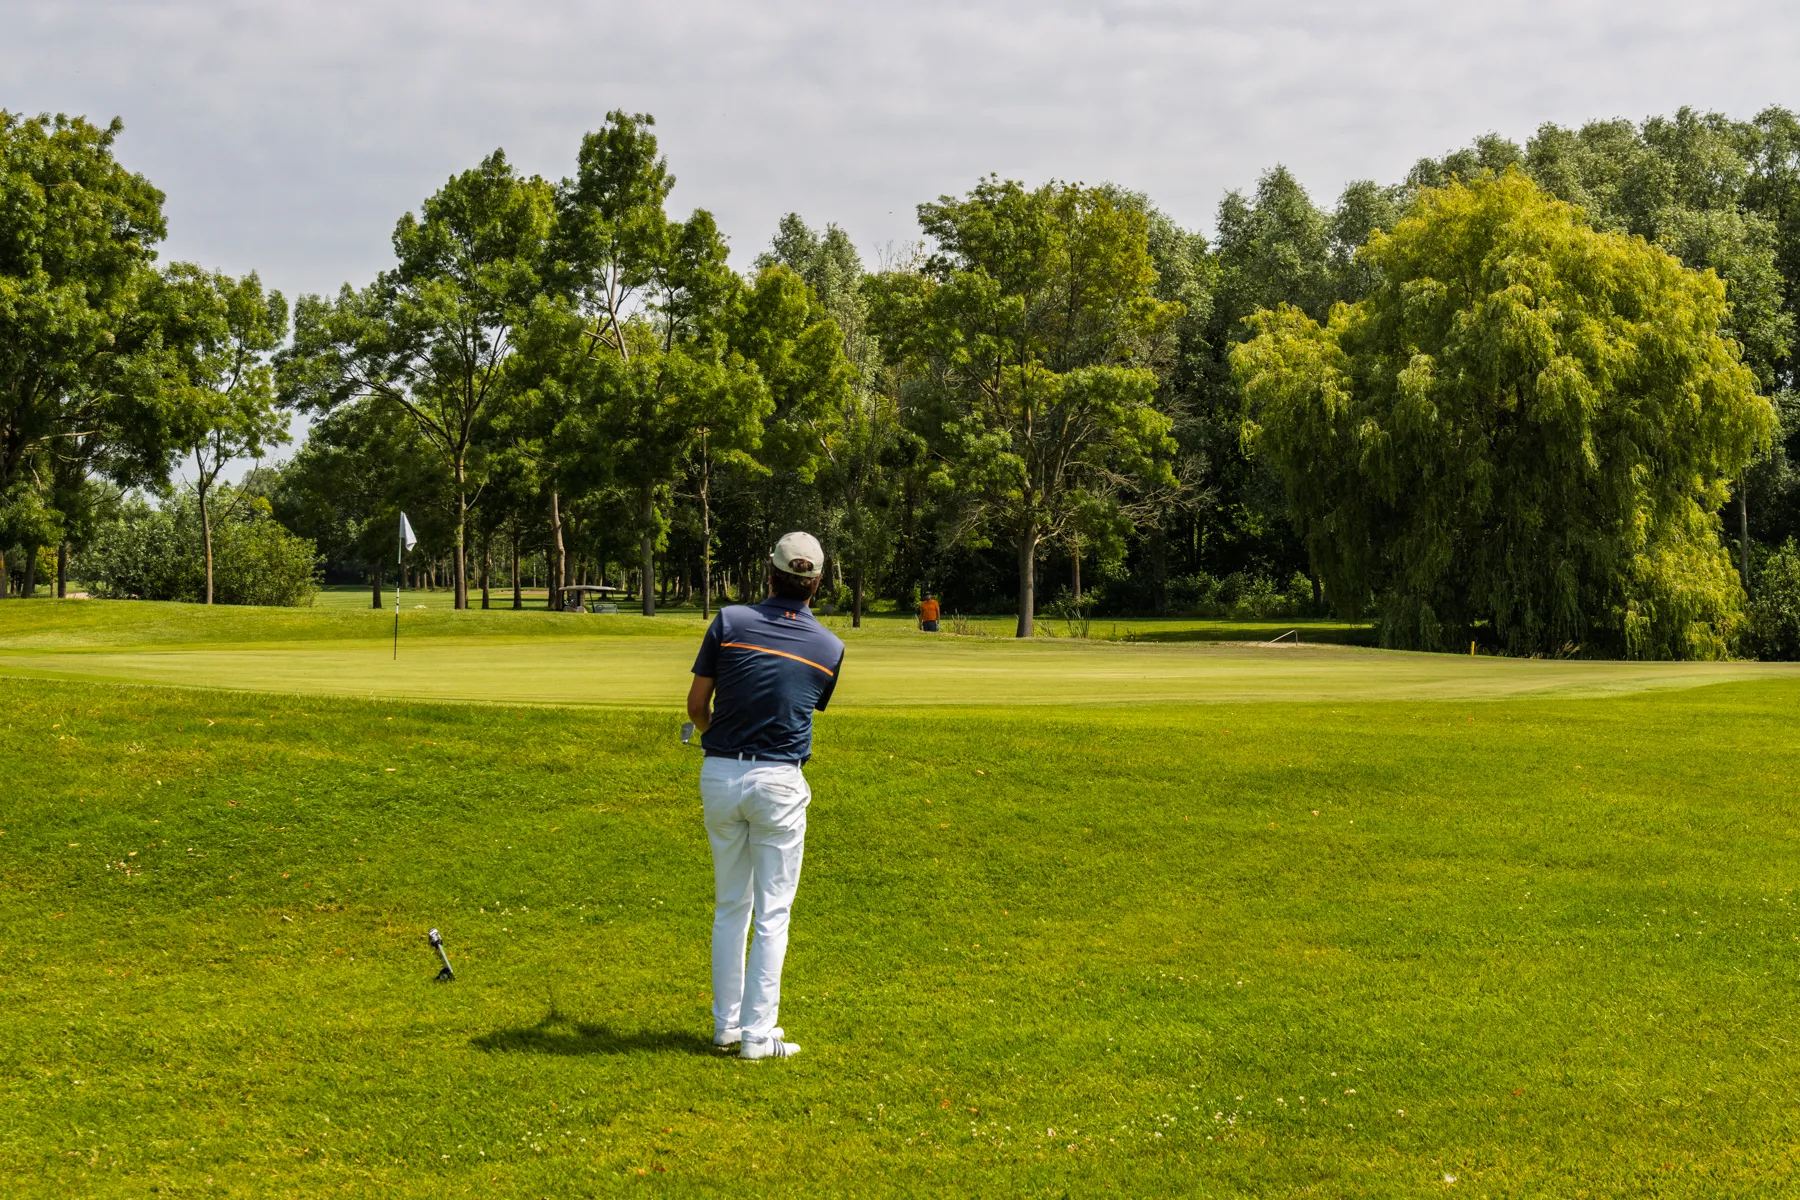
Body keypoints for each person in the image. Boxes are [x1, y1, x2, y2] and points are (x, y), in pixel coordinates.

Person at [686, 531, 845, 1061]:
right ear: (816, 583)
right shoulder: (829, 648)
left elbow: (697, 706)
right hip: (779, 781)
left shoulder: (729, 623)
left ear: (769, 573)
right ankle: (757, 1036)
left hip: (720, 775)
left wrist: (717, 740)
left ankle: (726, 1027)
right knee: (773, 911)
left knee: (732, 905)